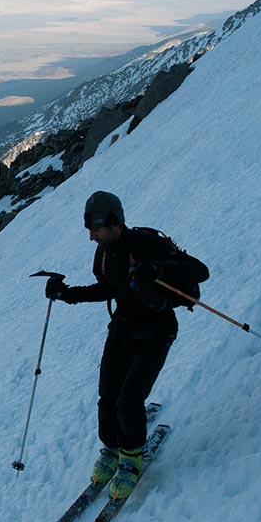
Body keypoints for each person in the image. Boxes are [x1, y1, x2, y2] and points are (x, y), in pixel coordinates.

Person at [45, 191, 209, 499]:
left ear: (114, 222)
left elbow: (201, 271)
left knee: (129, 399)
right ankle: (112, 447)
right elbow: (109, 288)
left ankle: (131, 457)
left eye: (95, 228)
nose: (91, 236)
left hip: (157, 331)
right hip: (123, 328)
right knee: (107, 394)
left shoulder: (146, 244)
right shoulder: (105, 252)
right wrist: (67, 294)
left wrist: (158, 269)